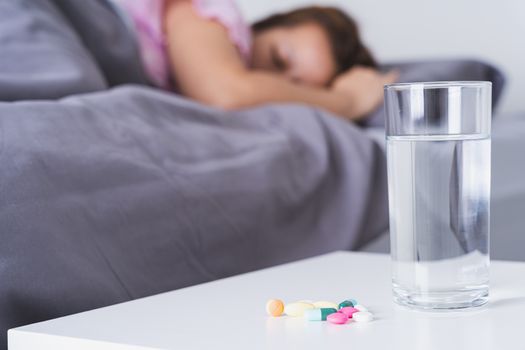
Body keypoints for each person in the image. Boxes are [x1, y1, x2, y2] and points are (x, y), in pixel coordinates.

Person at [114, 0, 397, 120]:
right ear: (261, 27)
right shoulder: (211, 13)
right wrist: (348, 102)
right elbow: (225, 93)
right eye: (278, 59)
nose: (273, 86)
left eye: (300, 87)